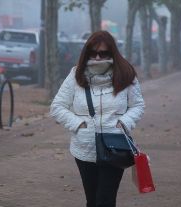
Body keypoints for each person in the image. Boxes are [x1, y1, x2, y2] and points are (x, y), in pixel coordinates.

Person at [50, 31, 145, 207]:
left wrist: (123, 122)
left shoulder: (126, 74)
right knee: (92, 200)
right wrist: (78, 124)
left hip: (115, 146)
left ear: (113, 53)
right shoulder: (75, 74)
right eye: (93, 53)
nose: (98, 57)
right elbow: (57, 107)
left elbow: (138, 105)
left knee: (105, 200)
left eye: (104, 53)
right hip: (84, 147)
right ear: (86, 53)